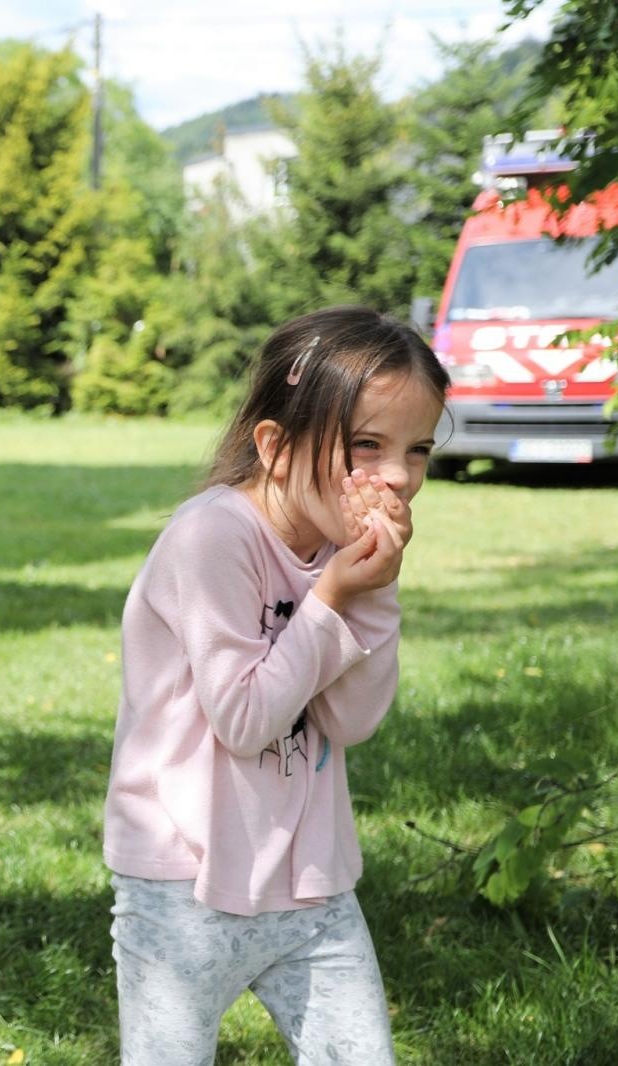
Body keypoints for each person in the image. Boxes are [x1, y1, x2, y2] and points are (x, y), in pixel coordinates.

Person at [101, 306, 450, 1064]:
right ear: (275, 446)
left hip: (312, 884)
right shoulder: (211, 536)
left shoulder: (337, 549)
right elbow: (246, 718)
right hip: (184, 883)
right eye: (367, 445)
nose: (395, 476)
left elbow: (352, 718)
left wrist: (375, 587)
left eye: (416, 449)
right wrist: (331, 597)